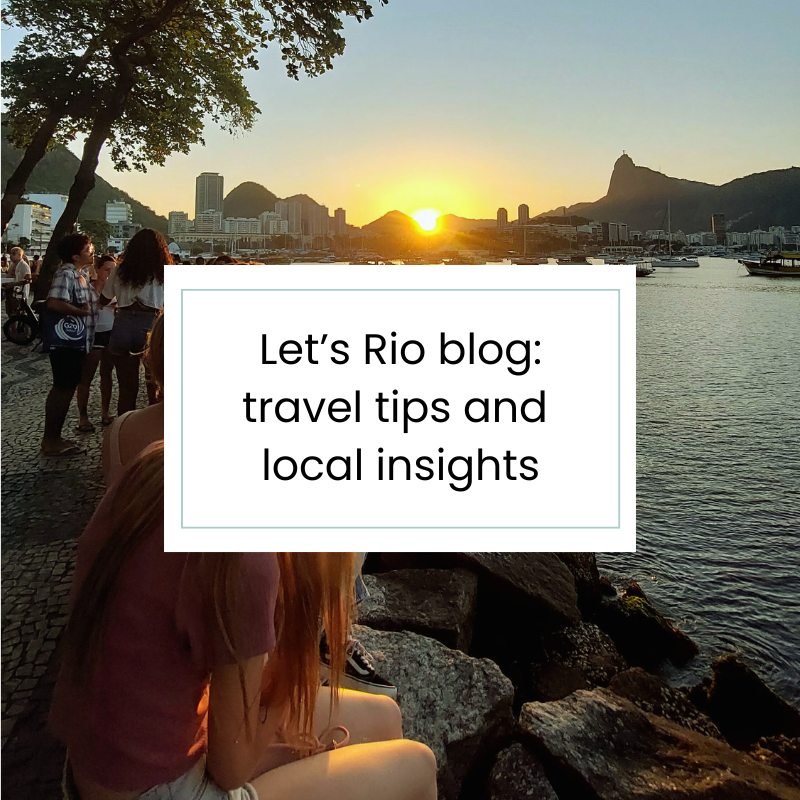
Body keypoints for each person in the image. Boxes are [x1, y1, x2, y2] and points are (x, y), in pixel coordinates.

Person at [50, 443, 437, 800]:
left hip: (98, 769)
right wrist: (295, 651)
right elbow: (231, 769)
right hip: (154, 789)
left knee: (384, 716)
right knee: (419, 766)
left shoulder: (161, 463)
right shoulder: (243, 559)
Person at [99, 228, 166, 414]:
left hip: (123, 323)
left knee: (127, 387)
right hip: (150, 325)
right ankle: (153, 426)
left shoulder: (120, 269)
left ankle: (124, 427)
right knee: (156, 382)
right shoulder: (162, 271)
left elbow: (104, 299)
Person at [41, 234, 96, 456]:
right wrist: (79, 311)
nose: (92, 251)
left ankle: (55, 437)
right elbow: (54, 302)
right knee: (62, 388)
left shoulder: (80, 274)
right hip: (67, 342)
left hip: (78, 341)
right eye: (87, 248)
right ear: (75, 255)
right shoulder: (66, 273)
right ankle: (50, 440)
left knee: (67, 386)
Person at [102, 310, 164, 486]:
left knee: (127, 386)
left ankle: (130, 411)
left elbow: (105, 298)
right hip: (145, 321)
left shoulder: (118, 434)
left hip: (123, 327)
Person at [76, 254, 118, 432]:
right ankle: (83, 416)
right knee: (86, 376)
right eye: (107, 270)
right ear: (98, 270)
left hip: (110, 332)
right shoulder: (88, 287)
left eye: (113, 271)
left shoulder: (116, 289)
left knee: (107, 374)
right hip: (92, 334)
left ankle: (105, 412)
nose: (110, 274)